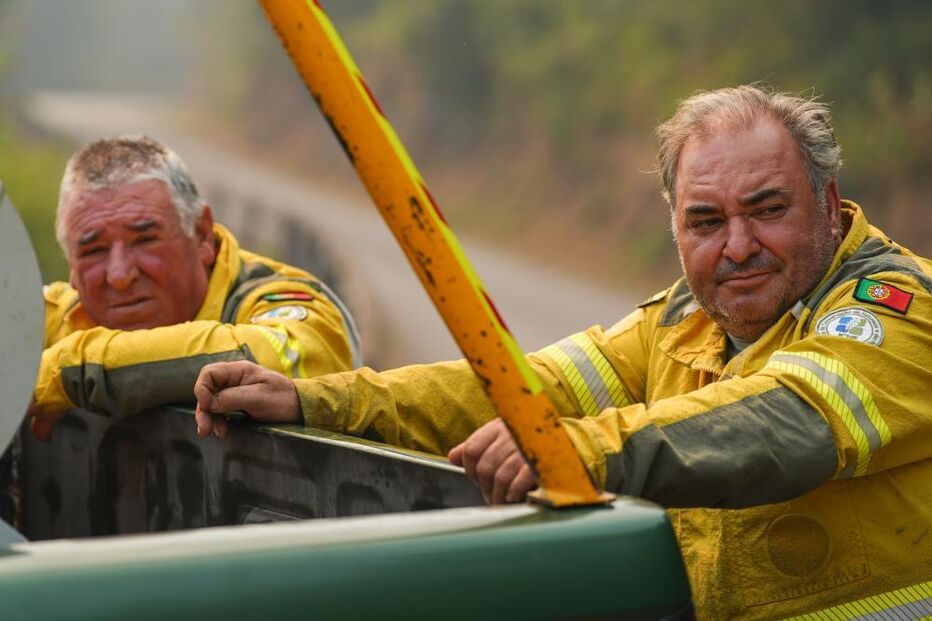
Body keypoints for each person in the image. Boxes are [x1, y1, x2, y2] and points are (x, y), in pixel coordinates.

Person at [193, 86, 932, 619]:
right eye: (706, 221)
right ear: (674, 231)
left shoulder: (897, 308)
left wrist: (571, 449)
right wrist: (316, 399)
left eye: (768, 210)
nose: (737, 247)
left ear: (829, 206)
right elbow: (527, 387)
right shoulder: (683, 317)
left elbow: (785, 423)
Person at [30, 135, 361, 440]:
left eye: (145, 240)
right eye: (93, 250)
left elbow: (268, 358)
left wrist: (66, 372)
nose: (119, 274)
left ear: (202, 234)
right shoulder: (57, 315)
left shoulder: (282, 298)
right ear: (71, 265)